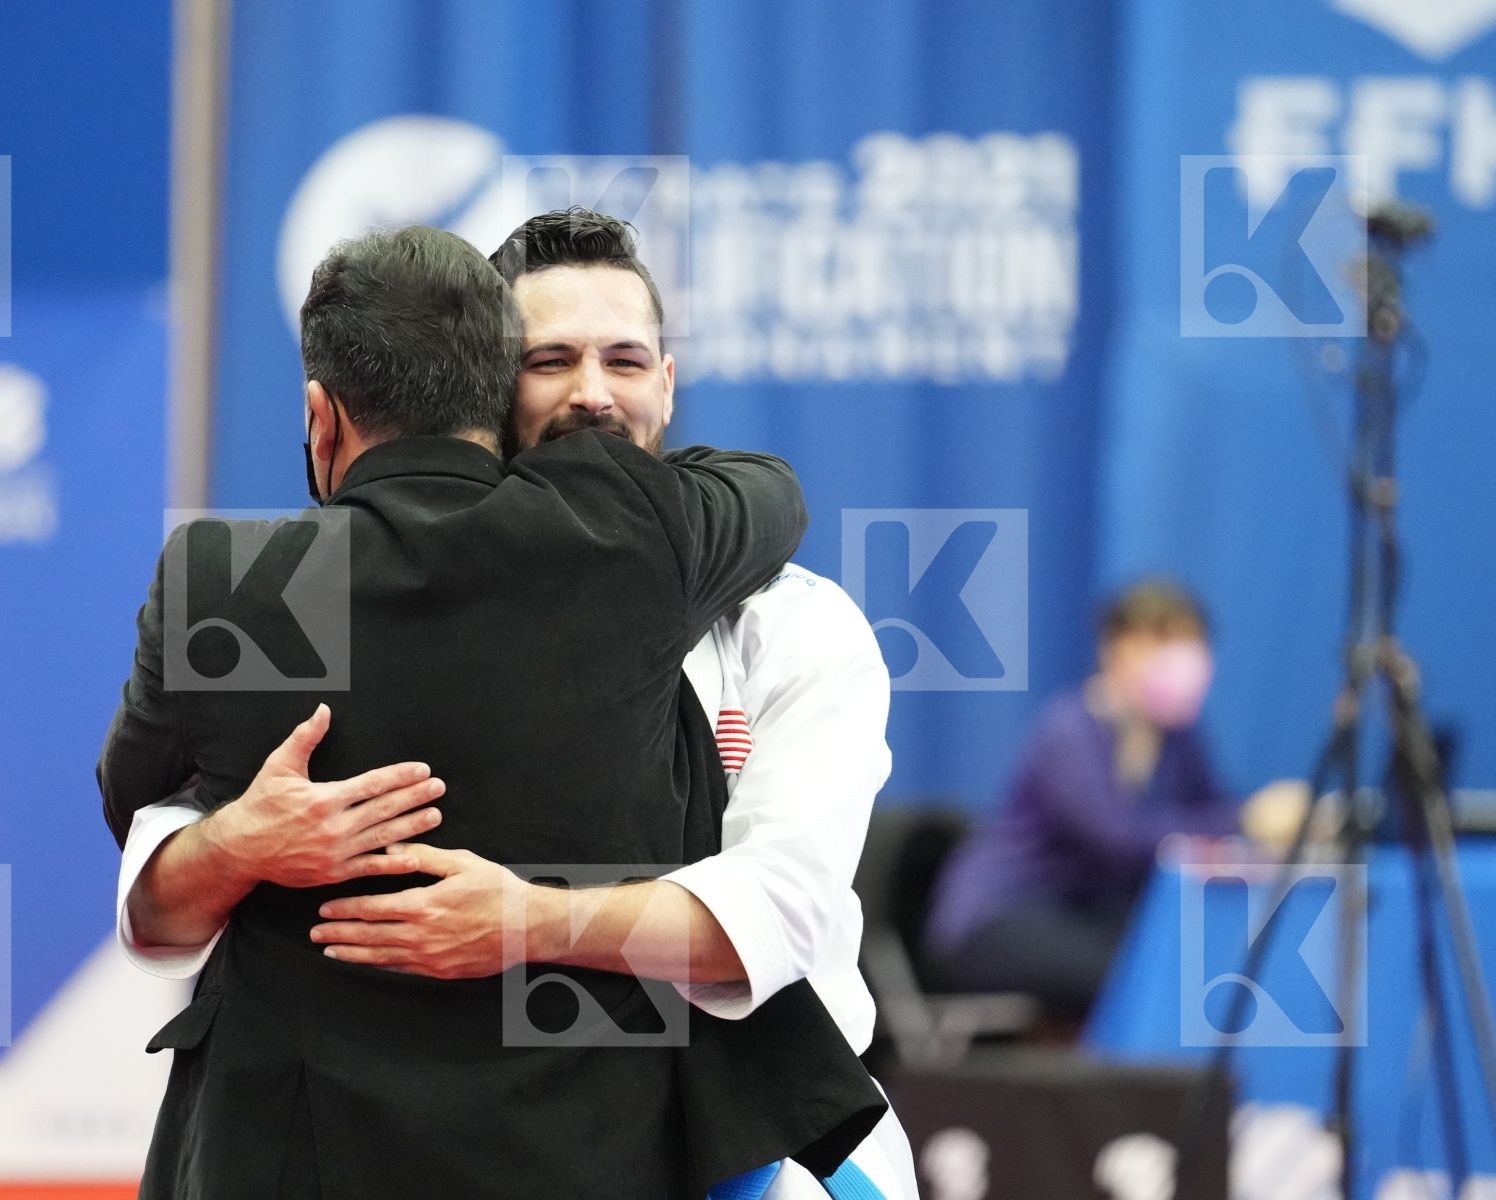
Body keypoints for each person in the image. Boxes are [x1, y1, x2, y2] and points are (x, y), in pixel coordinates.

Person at [119, 210, 918, 1200]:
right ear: (488, 388)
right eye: (553, 359)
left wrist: (530, 921)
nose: (593, 393)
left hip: (756, 1146)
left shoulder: (797, 624)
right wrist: (236, 845)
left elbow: (783, 912)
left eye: (626, 359)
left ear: (668, 386)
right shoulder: (318, 603)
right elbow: (162, 853)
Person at [924, 578, 1239, 1019]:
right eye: (1161, 639)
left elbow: (1213, 815)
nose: (1179, 658)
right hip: (999, 922)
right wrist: (1251, 819)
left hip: (1084, 920)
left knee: (1186, 961)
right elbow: (1118, 841)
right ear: (1114, 648)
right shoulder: (1068, 731)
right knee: (1144, 972)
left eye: (1190, 642)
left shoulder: (1180, 740)